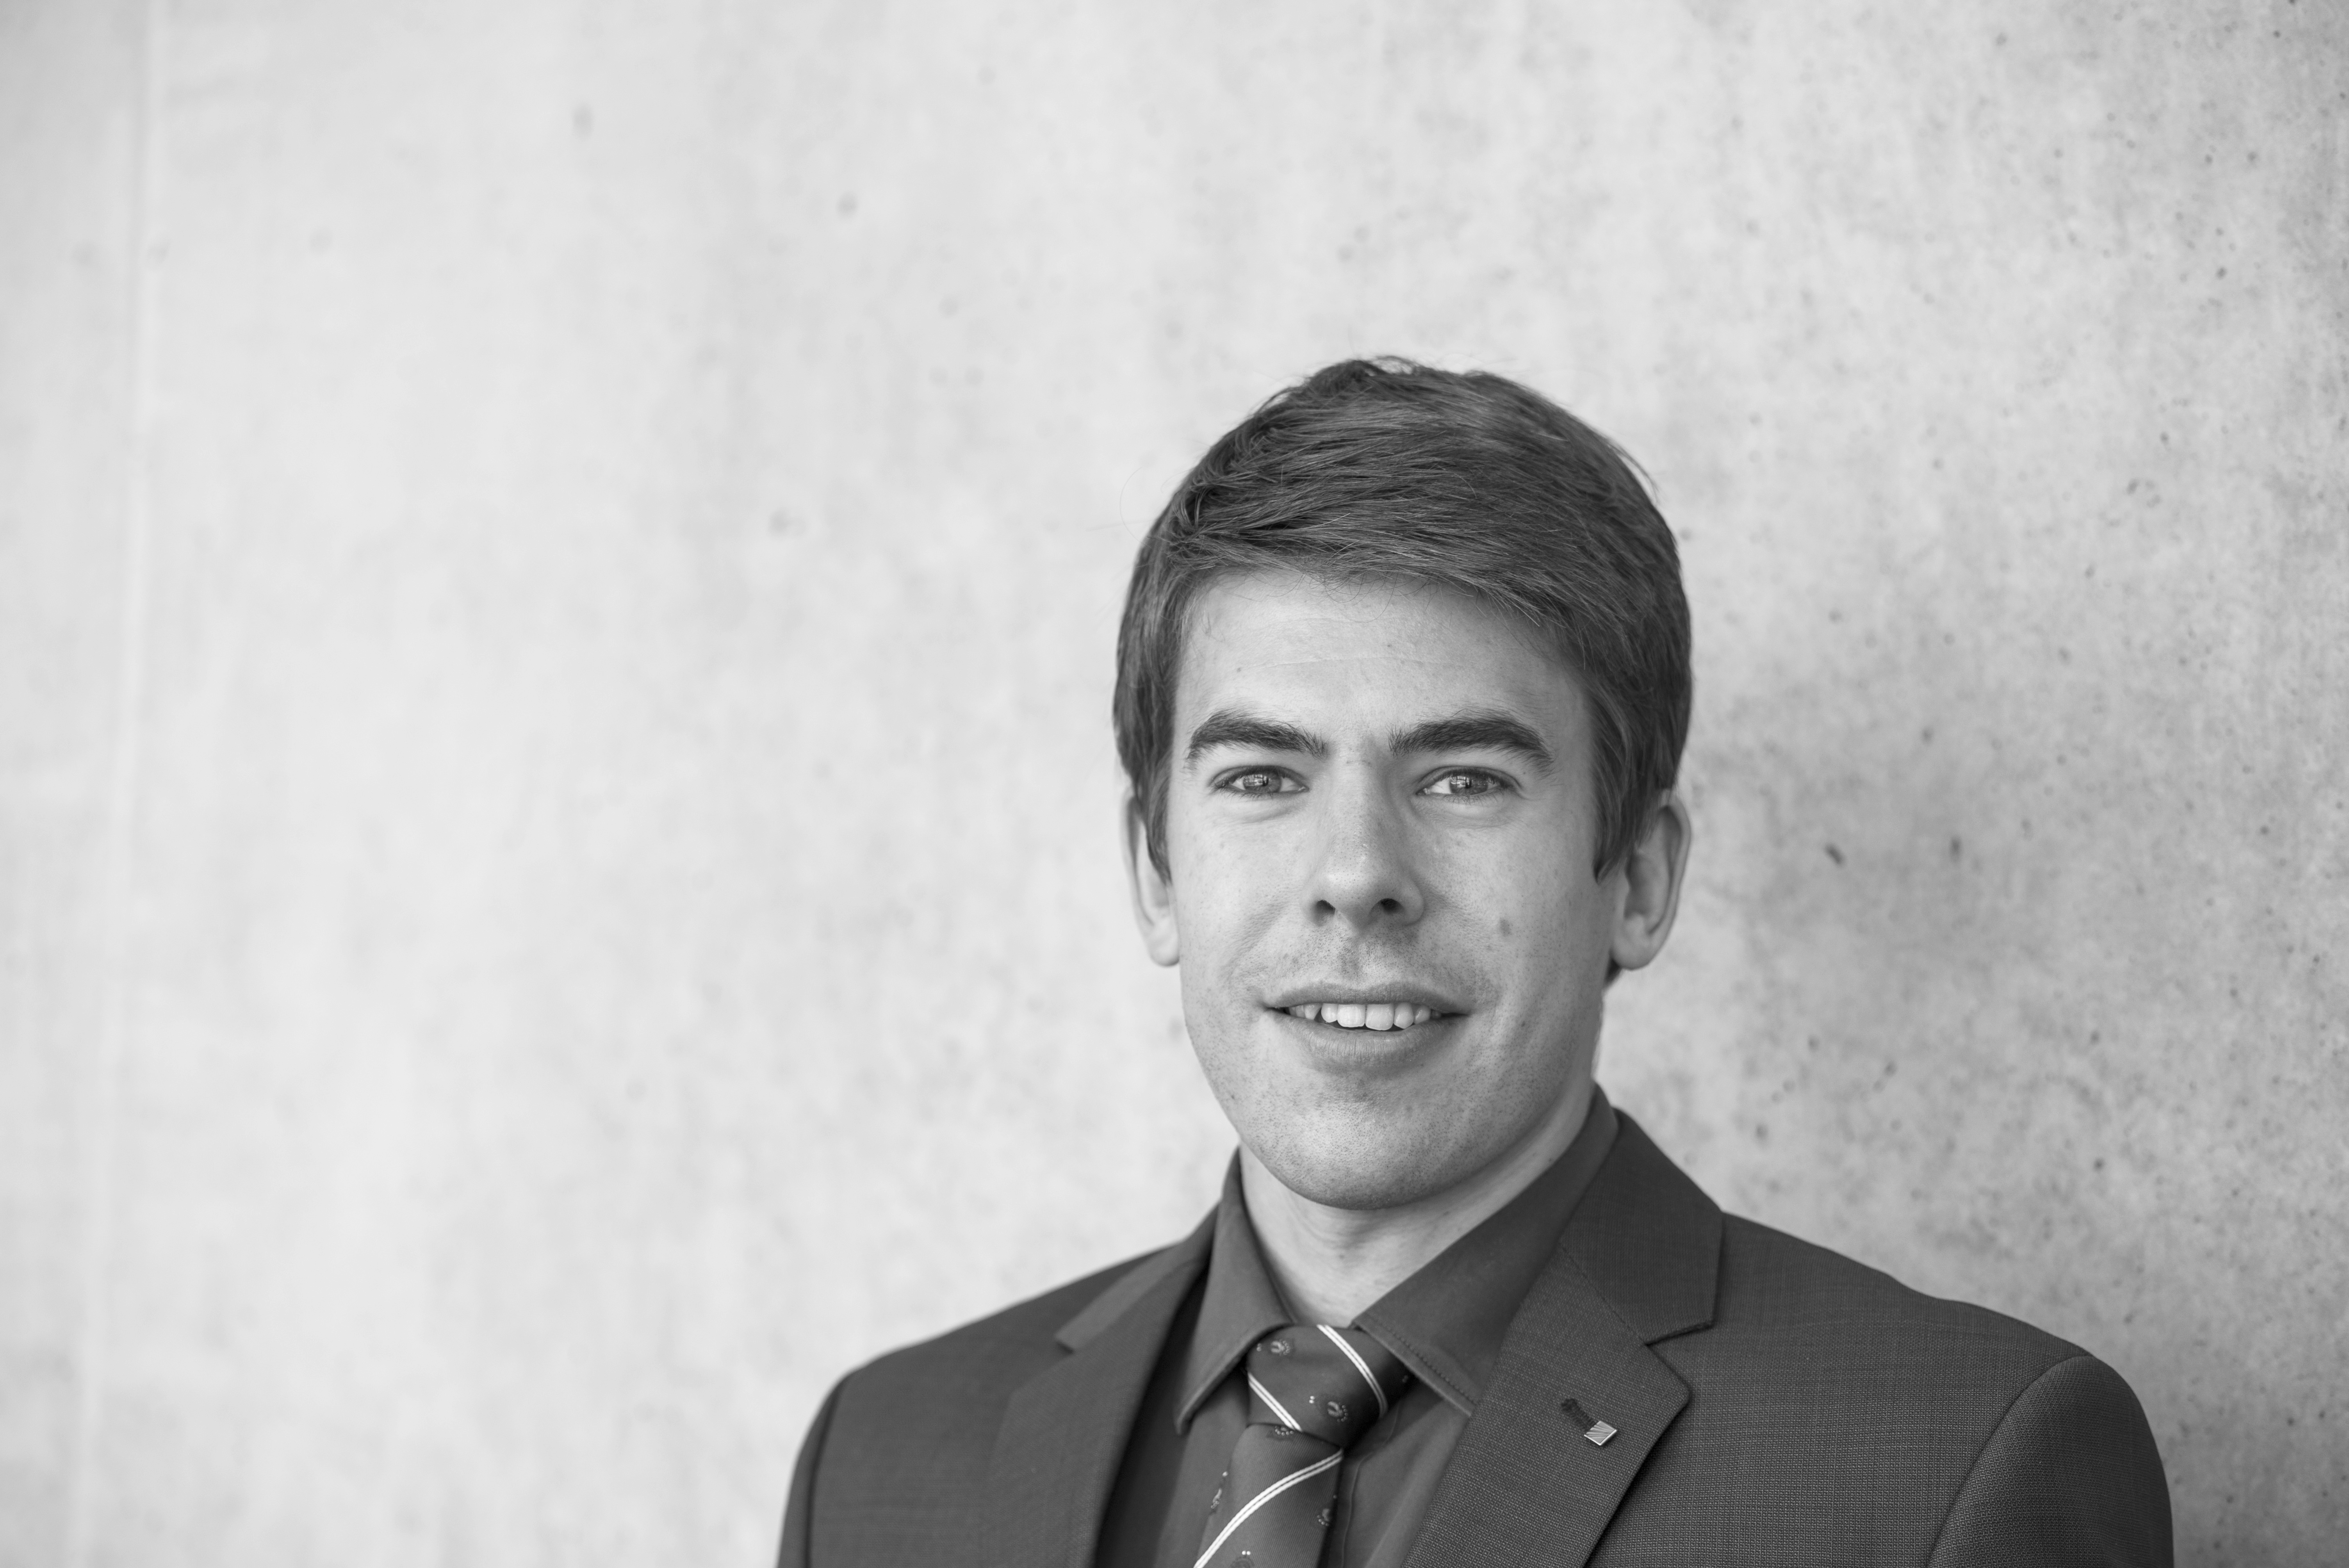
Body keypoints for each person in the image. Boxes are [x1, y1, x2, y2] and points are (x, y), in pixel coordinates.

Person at [777, 360, 2171, 1567]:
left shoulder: (1953, 1477)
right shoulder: (885, 1466)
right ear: (1156, 873)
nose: (1355, 873)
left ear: (1640, 880)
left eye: (1462, 780)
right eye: (1263, 776)